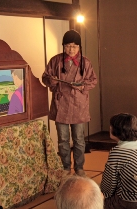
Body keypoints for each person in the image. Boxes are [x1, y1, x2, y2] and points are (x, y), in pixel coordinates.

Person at [42, 29, 97, 177]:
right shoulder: (55, 61)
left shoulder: (86, 62)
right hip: (61, 104)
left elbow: (93, 81)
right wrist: (51, 81)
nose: (71, 49)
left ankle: (79, 167)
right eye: (67, 46)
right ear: (63, 46)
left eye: (74, 46)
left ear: (79, 47)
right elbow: (45, 77)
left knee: (79, 139)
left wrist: (82, 86)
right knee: (63, 139)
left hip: (79, 105)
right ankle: (66, 166)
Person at [100, 113, 137, 209]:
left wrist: (100, 196)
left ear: (119, 130)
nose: (110, 128)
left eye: (112, 126)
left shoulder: (118, 151)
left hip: (128, 201)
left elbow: (108, 186)